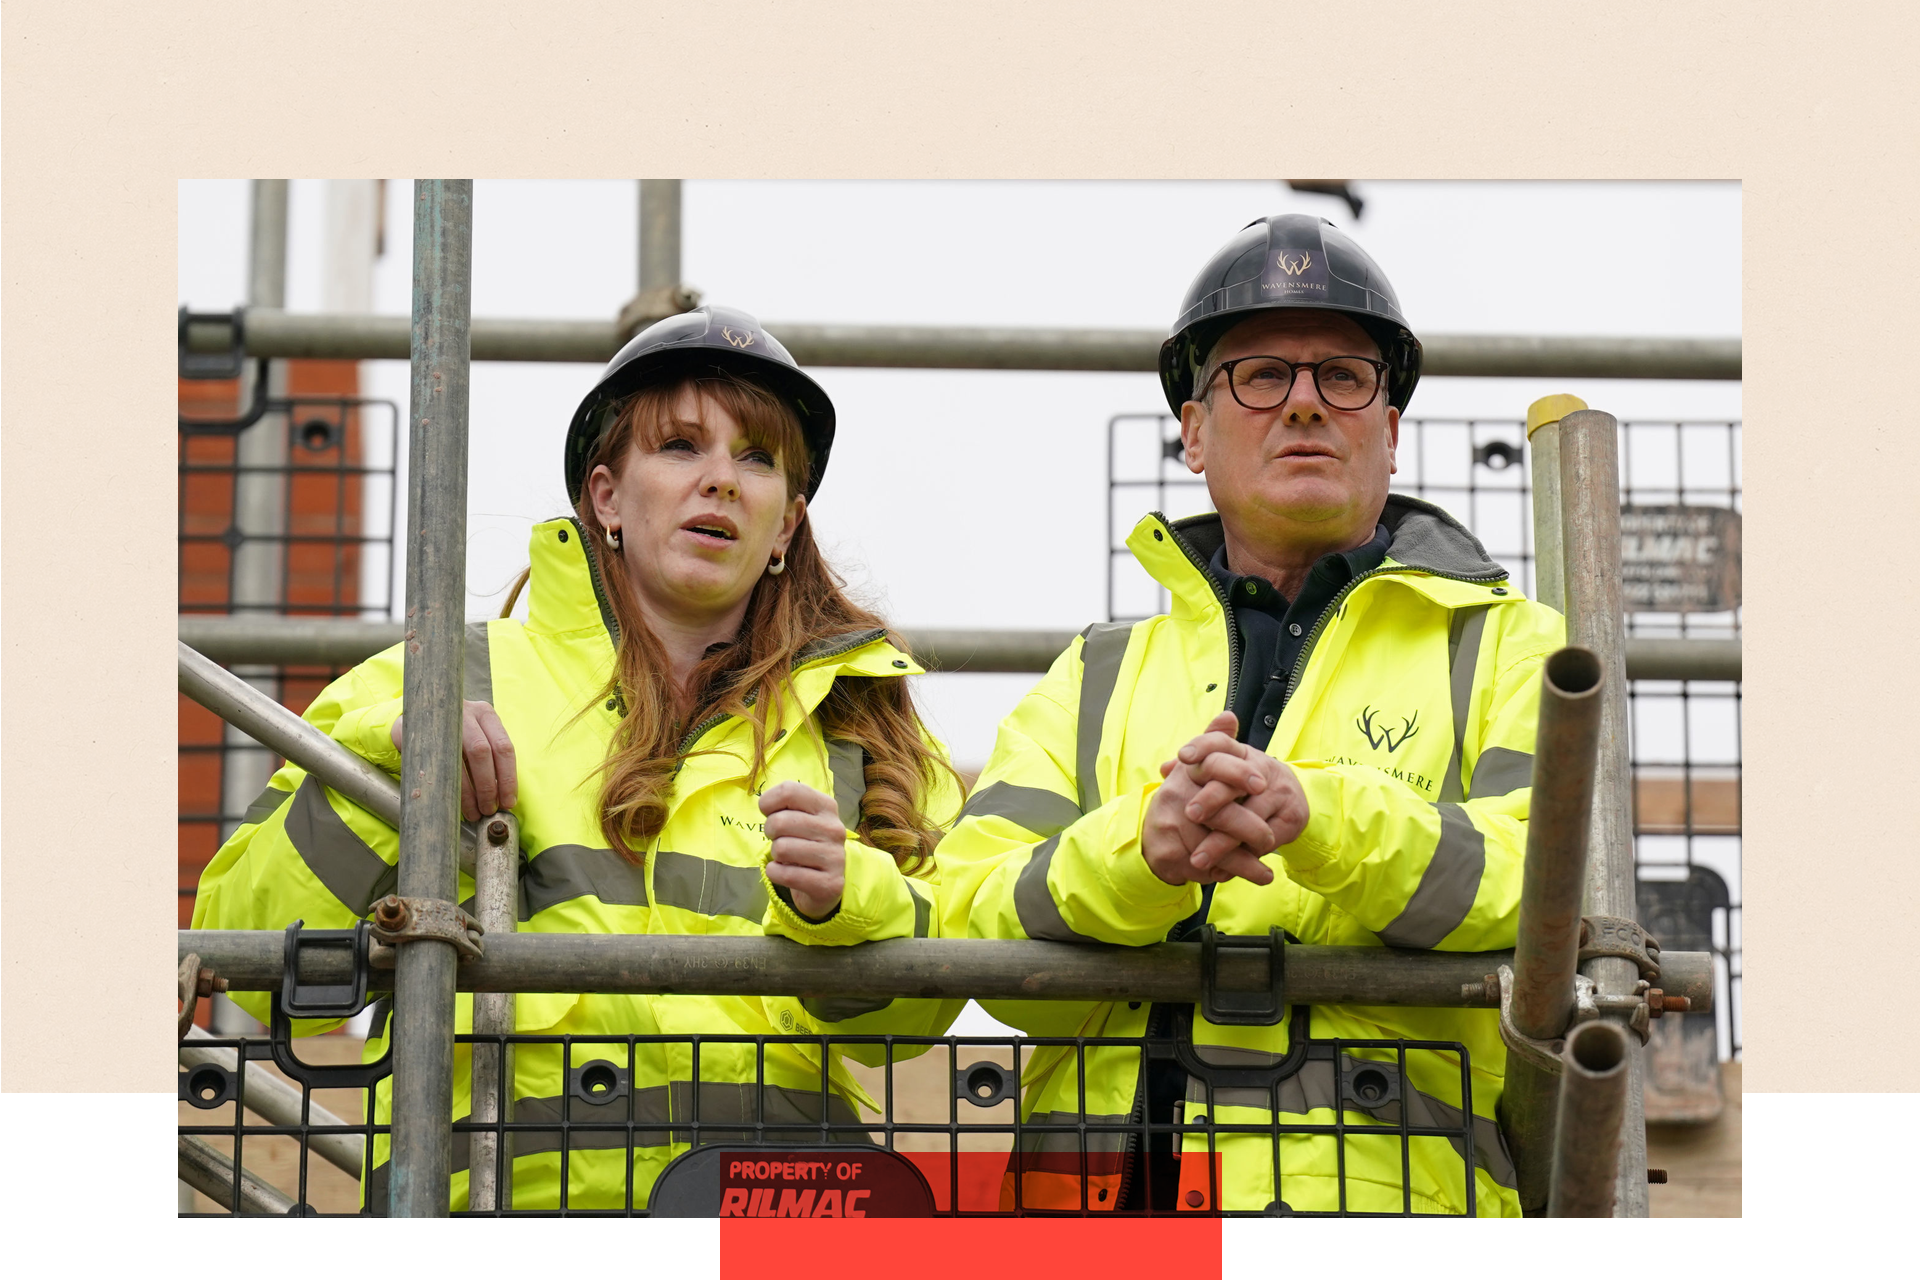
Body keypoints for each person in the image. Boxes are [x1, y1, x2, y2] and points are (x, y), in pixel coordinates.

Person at [192, 306, 965, 1212]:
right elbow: (246, 948)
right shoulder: (439, 678)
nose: (721, 480)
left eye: (758, 458)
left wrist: (851, 901)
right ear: (606, 497)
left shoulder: (860, 723)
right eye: (681, 447)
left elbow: (925, 1012)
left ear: (787, 526)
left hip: (779, 1234)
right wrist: (395, 775)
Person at [937, 215, 1563, 1217]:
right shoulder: (1095, 673)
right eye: (1262, 374)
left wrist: (1319, 817)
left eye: (1345, 376)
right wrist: (1139, 855)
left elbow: (1551, 893)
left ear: (1390, 431)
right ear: (1193, 432)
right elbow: (965, 925)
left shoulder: (1511, 646)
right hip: (1088, 1223)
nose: (1306, 404)